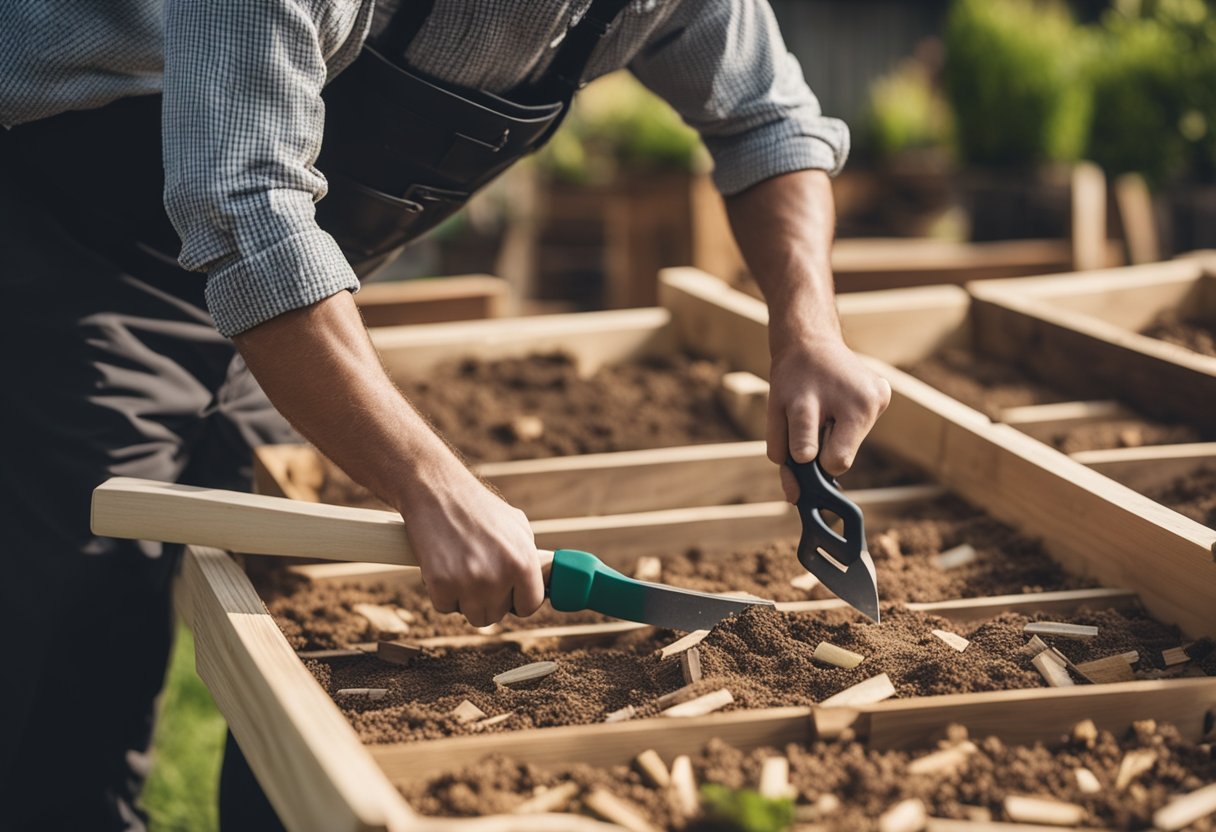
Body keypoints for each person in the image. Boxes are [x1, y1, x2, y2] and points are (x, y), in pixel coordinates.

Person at [0, 0, 891, 828]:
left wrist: (807, 330)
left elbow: (768, 119)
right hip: (72, 236)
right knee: (64, 632)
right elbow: (243, 208)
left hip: (294, 290)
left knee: (280, 628)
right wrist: (432, 484)